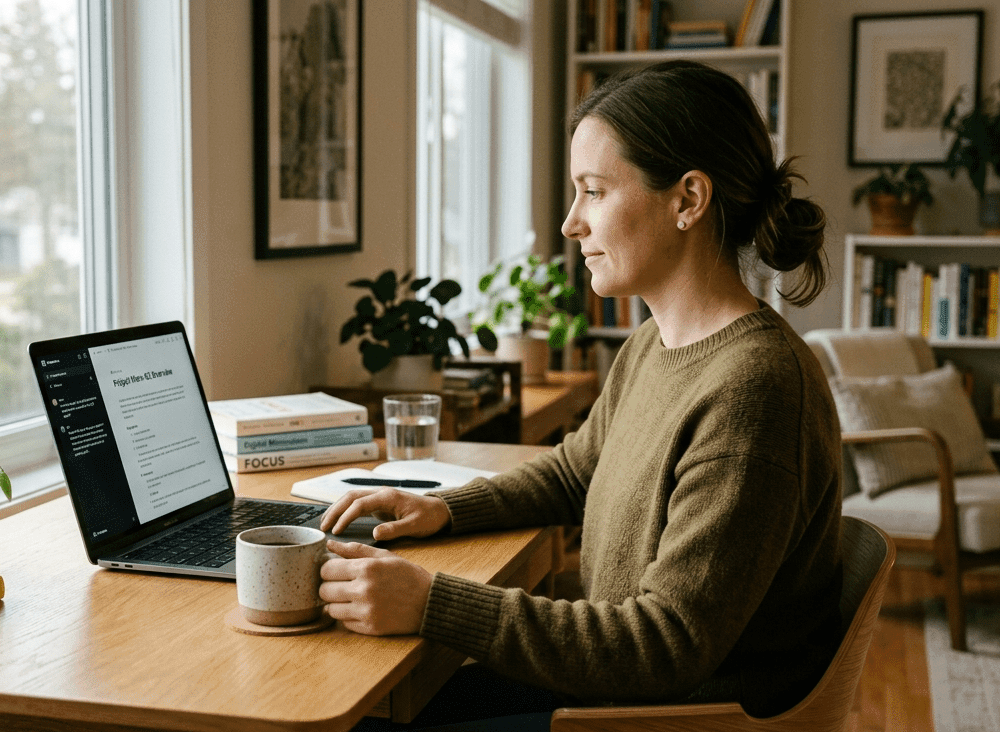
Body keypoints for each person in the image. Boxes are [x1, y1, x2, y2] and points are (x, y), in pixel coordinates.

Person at [319, 60, 843, 729]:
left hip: (671, 716)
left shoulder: (756, 390)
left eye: (593, 191)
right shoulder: (656, 343)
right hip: (620, 691)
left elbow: (665, 643)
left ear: (688, 199)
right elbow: (576, 472)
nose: (571, 224)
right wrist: (441, 510)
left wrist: (431, 602)